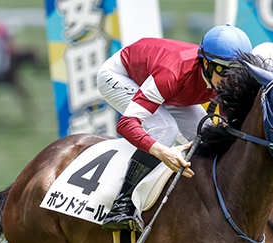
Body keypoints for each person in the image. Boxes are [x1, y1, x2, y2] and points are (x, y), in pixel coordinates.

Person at [97, 24, 252, 232]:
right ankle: (121, 205)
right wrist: (163, 152)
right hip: (123, 76)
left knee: (207, 132)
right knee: (165, 129)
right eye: (225, 72)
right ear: (206, 63)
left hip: (172, 90)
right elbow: (126, 124)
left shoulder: (223, 78)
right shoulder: (174, 72)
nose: (231, 81)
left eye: (238, 73)